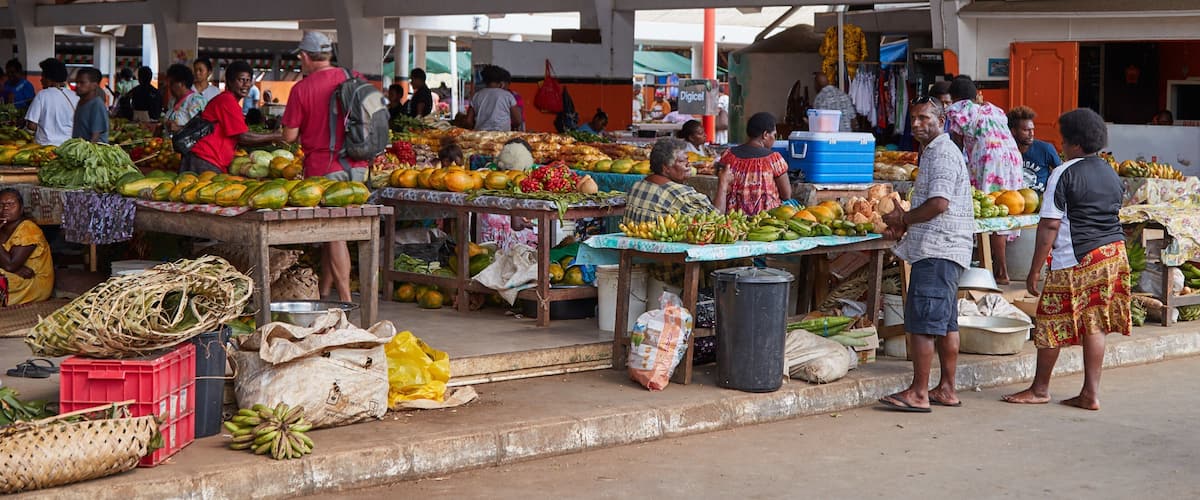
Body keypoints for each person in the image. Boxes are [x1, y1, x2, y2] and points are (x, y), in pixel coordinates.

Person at [1003, 108, 1129, 411]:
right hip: (1113, 253)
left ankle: (1040, 389)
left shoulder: (1064, 171)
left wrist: (1034, 271)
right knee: (1095, 323)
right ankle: (1090, 393)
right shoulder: (1109, 171)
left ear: (1073, 142)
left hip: (1078, 257)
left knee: (1051, 321)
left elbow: (1049, 225)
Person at [877, 96, 975, 412]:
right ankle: (946, 388)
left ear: (941, 120)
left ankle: (918, 393)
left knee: (921, 322)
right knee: (946, 323)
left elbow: (939, 203)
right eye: (914, 118)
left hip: (938, 249)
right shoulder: (934, 152)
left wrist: (903, 219)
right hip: (945, 248)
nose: (917, 124)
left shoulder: (942, 153)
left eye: (924, 118)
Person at [281, 31, 369, 302]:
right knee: (333, 232)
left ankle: (346, 301)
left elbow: (289, 137)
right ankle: (324, 292)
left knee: (336, 235)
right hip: (359, 165)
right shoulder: (354, 77)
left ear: (305, 57)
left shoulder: (302, 89)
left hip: (325, 169)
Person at [946, 75, 1023, 284]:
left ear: (955, 97)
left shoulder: (960, 109)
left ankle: (998, 269)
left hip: (989, 160)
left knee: (988, 211)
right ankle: (995, 266)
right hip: (1012, 160)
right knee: (1002, 207)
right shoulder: (993, 109)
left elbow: (955, 145)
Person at [185, 61, 283, 174]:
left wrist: (272, 139)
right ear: (230, 82)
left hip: (207, 159)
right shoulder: (227, 101)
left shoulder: (229, 101)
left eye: (248, 80)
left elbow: (240, 140)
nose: (246, 84)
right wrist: (275, 136)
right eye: (241, 80)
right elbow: (243, 137)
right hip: (205, 159)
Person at [714, 112, 791, 216]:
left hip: (733, 220)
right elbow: (786, 195)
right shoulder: (774, 159)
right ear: (765, 135)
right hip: (766, 221)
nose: (774, 139)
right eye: (774, 135)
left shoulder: (728, 155)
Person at [624, 138, 715, 224]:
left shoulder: (637, 186)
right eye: (682, 161)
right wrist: (723, 184)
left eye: (687, 160)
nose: (688, 165)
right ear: (666, 168)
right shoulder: (681, 194)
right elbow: (715, 220)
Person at [0, 189, 53, 306]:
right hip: (14, 274)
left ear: (21, 208)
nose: (5, 208)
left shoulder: (29, 229)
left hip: (32, 284)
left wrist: (13, 268)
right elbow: (12, 266)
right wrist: (17, 269)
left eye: (11, 204)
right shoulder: (2, 227)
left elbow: (10, 264)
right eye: (1, 205)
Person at [24, 58, 78, 147]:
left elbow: (31, 126)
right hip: (68, 147)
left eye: (43, 76)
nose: (41, 80)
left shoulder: (42, 95)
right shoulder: (75, 96)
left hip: (45, 148)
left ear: (49, 78)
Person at [1007, 106, 1061, 193]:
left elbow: (1061, 174)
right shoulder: (1005, 151)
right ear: (1013, 131)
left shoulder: (1045, 149)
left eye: (1032, 129)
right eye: (1026, 130)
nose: (1031, 134)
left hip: (1040, 202)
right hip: (1012, 201)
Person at [466, 65, 521, 132]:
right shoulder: (507, 96)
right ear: (501, 82)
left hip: (481, 136)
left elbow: (468, 121)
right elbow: (517, 120)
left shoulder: (477, 96)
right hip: (501, 136)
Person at [162, 64, 207, 134]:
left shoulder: (196, 101)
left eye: (172, 83)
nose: (169, 86)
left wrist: (179, 129)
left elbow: (203, 130)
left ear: (182, 84)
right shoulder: (172, 100)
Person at [72, 67, 108, 143]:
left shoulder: (97, 104)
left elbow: (95, 137)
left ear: (94, 85)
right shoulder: (81, 102)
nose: (77, 85)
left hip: (93, 152)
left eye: (82, 82)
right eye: (76, 82)